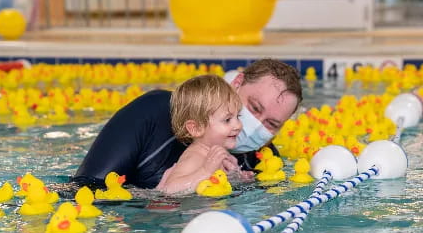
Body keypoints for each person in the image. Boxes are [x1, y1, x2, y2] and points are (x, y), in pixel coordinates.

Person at [71, 58, 302, 190]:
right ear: (237, 83)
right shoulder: (153, 113)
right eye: (254, 108)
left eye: (271, 123)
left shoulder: (265, 163)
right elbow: (83, 190)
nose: (250, 126)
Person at [156, 75, 248, 194]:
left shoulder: (215, 153)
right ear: (196, 128)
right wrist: (205, 171)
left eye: (238, 116)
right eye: (227, 120)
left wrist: (239, 177)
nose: (238, 125)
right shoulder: (195, 157)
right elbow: (169, 189)